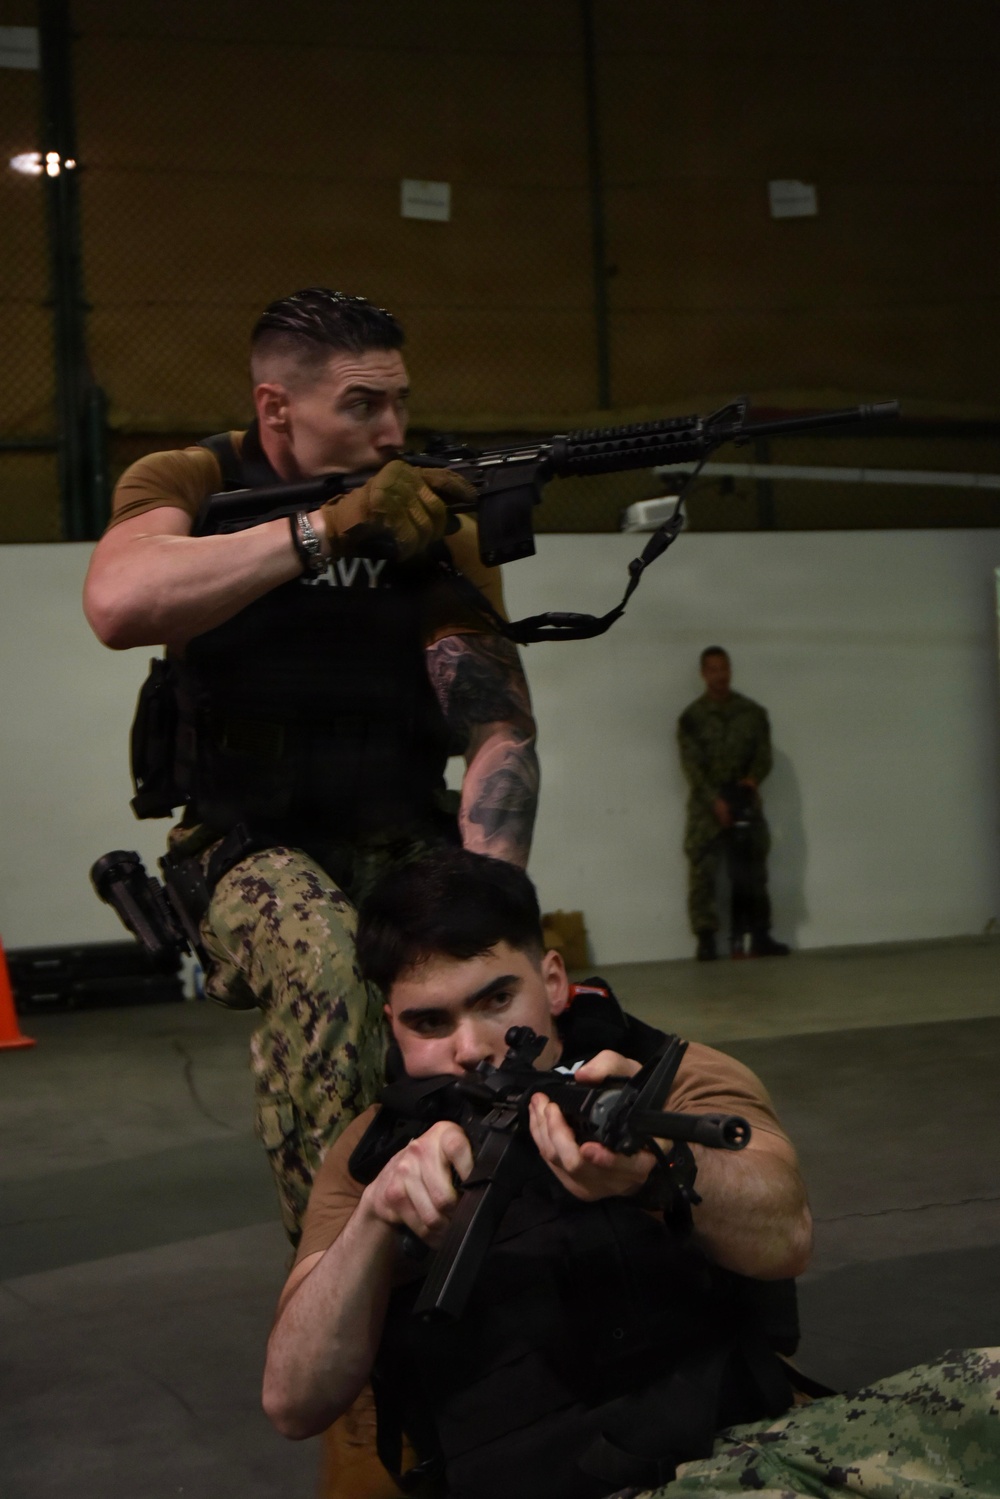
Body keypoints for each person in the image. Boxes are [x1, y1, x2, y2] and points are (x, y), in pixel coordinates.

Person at [83, 289, 539, 1245]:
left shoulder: (428, 513)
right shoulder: (192, 477)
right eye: (363, 405)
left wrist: (493, 892)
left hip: (398, 825)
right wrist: (325, 530)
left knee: (492, 977)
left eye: (401, 403)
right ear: (276, 408)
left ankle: (499, 1229)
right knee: (331, 962)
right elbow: (120, 604)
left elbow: (496, 727)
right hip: (244, 845)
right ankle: (339, 1259)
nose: (392, 432)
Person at [262, 848, 812, 1499]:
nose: (471, 1049)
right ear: (391, 1025)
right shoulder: (372, 1151)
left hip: (728, 1455)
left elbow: (787, 1236)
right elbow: (294, 1400)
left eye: (496, 999)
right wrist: (374, 1219)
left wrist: (658, 1170)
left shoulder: (668, 1077)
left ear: (553, 980)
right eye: (429, 1022)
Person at [676, 647, 788, 963]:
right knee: (703, 871)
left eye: (724, 668)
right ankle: (707, 939)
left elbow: (763, 755)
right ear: (703, 673)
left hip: (744, 798)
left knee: (754, 871)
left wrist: (753, 779)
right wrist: (715, 801)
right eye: (712, 669)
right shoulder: (692, 718)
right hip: (706, 806)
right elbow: (692, 766)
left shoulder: (752, 713)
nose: (719, 675)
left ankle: (760, 934)